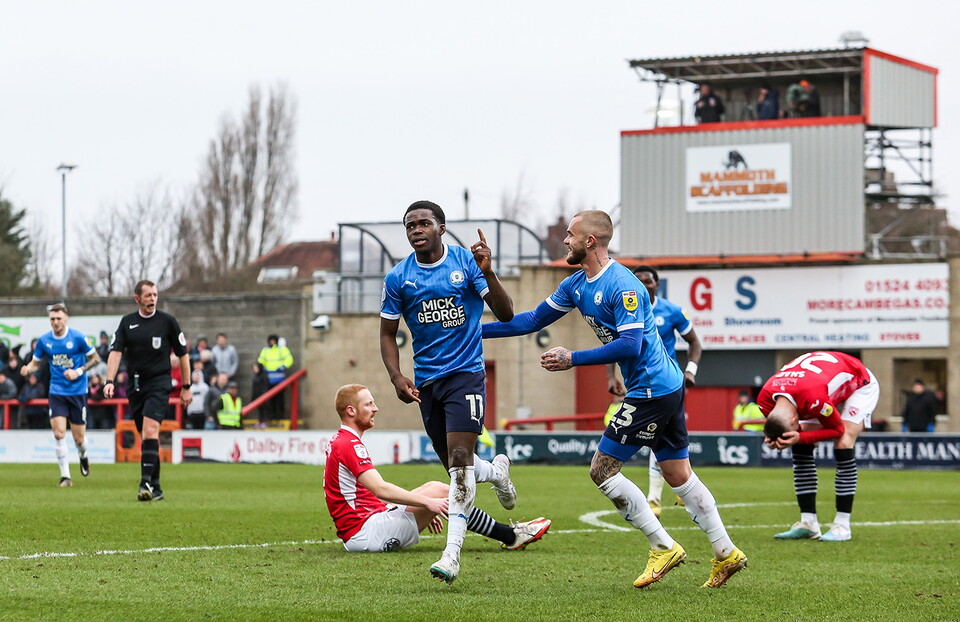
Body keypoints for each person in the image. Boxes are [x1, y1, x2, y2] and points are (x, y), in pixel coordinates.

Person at [482, 210, 747, 589]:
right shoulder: (575, 284)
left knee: (601, 471)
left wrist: (572, 358)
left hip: (652, 389)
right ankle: (726, 552)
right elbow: (530, 321)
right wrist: (473, 332)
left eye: (571, 235)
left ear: (590, 241)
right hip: (664, 386)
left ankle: (663, 547)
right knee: (677, 473)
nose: (565, 241)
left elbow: (630, 344)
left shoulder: (623, 285)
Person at [379, 199, 521, 584]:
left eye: (424, 223)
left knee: (459, 462)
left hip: (466, 373)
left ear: (441, 228)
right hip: (427, 382)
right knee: (459, 468)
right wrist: (396, 376)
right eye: (410, 225)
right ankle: (497, 472)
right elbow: (388, 334)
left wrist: (488, 272)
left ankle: (451, 555)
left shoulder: (465, 262)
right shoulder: (398, 278)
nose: (416, 230)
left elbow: (506, 313)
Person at [325, 384, 550, 554]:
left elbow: (365, 495)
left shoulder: (341, 440)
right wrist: (427, 503)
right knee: (440, 493)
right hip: (366, 532)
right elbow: (380, 489)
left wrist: (421, 508)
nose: (375, 409)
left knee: (435, 487)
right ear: (351, 410)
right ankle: (510, 536)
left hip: (364, 526)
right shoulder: (349, 444)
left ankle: (509, 535)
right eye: (368, 404)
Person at [607, 265, 703, 519]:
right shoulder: (625, 310)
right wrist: (611, 377)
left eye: (648, 281)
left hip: (667, 384)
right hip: (639, 383)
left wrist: (691, 370)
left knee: (660, 437)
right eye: (638, 280)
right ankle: (681, 484)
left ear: (657, 285)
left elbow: (694, 342)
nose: (643, 285)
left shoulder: (672, 311)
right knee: (664, 439)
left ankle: (655, 498)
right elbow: (614, 344)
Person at [759, 351, 879, 542]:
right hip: (811, 389)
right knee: (801, 446)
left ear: (794, 419)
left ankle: (842, 526)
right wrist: (776, 438)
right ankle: (808, 524)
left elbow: (837, 429)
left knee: (843, 441)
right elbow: (779, 425)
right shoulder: (764, 401)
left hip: (859, 382)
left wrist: (799, 436)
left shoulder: (813, 398)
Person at [103, 280, 192, 501]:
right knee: (146, 435)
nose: (152, 299)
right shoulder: (127, 322)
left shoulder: (167, 322)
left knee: (151, 430)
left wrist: (186, 387)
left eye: (155, 295)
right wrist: (109, 380)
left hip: (159, 383)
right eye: (148, 295)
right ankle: (157, 487)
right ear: (137, 299)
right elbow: (116, 352)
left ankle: (144, 484)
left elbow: (183, 355)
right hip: (135, 386)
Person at [20, 303, 101, 486]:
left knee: (79, 439)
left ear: (66, 318)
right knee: (58, 433)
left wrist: (78, 372)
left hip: (78, 392)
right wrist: (28, 369)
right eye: (52, 319)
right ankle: (65, 476)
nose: (55, 322)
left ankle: (83, 454)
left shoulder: (78, 337)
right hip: (56, 391)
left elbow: (96, 359)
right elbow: (36, 363)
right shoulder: (44, 340)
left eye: (58, 318)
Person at [257, 334, 293, 421]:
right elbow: (261, 360)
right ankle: (272, 415)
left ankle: (280, 415)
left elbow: (289, 359)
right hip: (269, 379)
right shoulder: (265, 350)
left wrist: (283, 366)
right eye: (271, 340)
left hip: (279, 379)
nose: (272, 342)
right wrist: (262, 367)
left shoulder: (282, 349)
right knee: (270, 399)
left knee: (280, 398)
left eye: (274, 340)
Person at [250, 362, 270, 427]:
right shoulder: (255, 376)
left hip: (263, 396)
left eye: (256, 367)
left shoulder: (264, 376)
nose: (254, 369)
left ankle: (265, 421)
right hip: (257, 396)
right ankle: (260, 421)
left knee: (264, 409)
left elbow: (265, 386)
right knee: (260, 410)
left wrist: (263, 395)